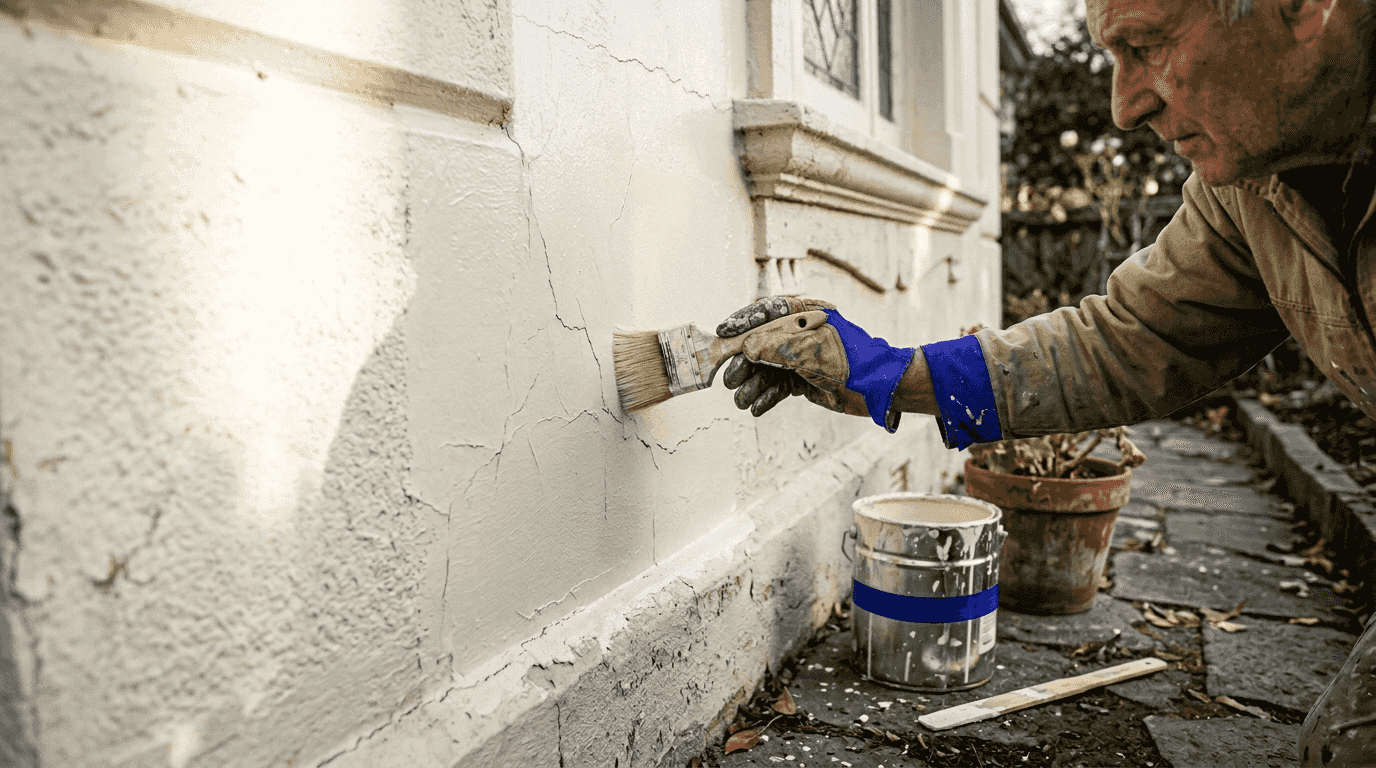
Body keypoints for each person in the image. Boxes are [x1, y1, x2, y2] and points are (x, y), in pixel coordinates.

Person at [716, 0, 1376, 765]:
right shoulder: (1250, 185)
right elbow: (1131, 338)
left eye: (1145, 45)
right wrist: (884, 374)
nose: (1126, 107)